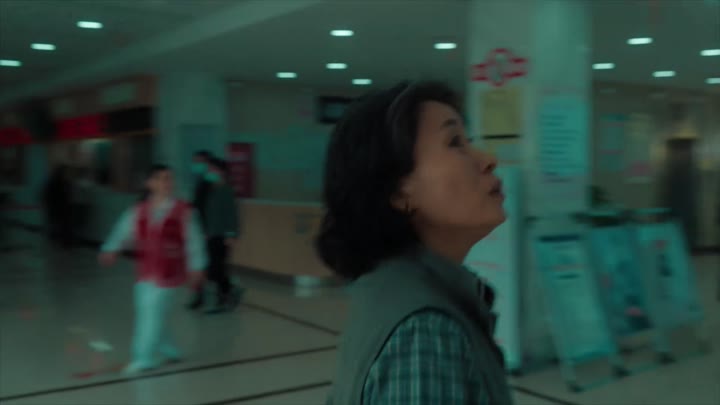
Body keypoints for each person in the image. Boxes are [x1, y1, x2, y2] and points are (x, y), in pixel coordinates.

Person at [317, 81, 512, 404]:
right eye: (455, 142)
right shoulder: (426, 332)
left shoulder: (394, 289)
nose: (488, 159)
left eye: (470, 141)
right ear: (398, 192)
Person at [98, 164, 207, 375]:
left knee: (149, 314)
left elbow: (194, 241)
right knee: (153, 314)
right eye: (161, 178)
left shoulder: (183, 211)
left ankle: (143, 359)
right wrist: (110, 249)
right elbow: (122, 231)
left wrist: (197, 267)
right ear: (150, 183)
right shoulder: (138, 211)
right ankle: (171, 350)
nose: (167, 183)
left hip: (169, 273)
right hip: (145, 272)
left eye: (169, 178)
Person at [192, 157, 242, 314]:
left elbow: (232, 214)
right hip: (211, 234)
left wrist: (231, 234)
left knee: (217, 269)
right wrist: (206, 231)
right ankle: (227, 293)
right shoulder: (212, 189)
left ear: (221, 172)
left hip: (222, 236)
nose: (209, 172)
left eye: (212, 170)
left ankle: (228, 293)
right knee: (216, 269)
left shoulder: (226, 190)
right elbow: (209, 213)